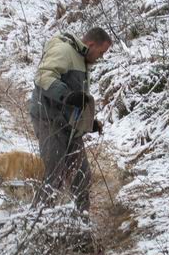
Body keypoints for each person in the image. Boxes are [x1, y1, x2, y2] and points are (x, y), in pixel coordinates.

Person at [29, 27, 112, 212]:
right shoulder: (64, 50)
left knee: (82, 175)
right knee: (53, 176)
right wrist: (67, 96)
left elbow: (77, 100)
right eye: (101, 52)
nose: (101, 57)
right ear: (91, 45)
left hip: (68, 125)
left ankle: (80, 226)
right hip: (48, 120)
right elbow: (43, 76)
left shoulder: (82, 60)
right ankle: (38, 224)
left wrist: (88, 123)